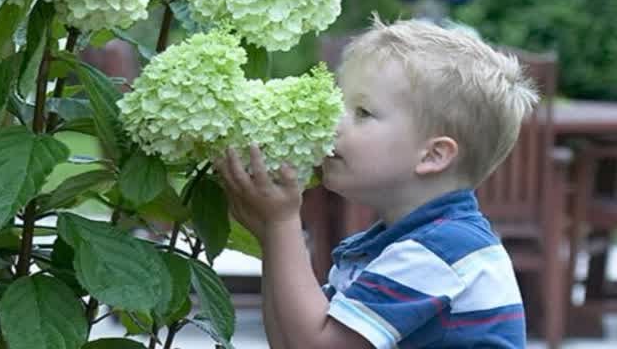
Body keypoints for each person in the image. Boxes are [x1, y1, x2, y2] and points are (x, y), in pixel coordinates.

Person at [217, 19, 535, 348]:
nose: (333, 122)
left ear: (432, 156)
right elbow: (289, 341)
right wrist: (271, 237)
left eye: (363, 112)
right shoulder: (393, 245)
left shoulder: (440, 251)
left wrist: (281, 223)